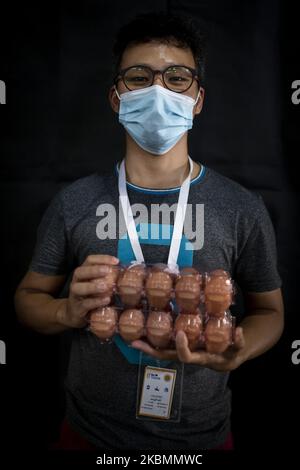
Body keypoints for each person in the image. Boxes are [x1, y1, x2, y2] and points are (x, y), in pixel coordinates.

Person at [14, 12, 284, 450]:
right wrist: (65, 312)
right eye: (139, 77)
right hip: (90, 436)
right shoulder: (75, 201)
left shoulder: (241, 207)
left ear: (198, 99)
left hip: (202, 439)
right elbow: (26, 300)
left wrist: (240, 348)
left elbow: (272, 313)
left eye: (177, 78)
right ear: (116, 98)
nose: (158, 91)